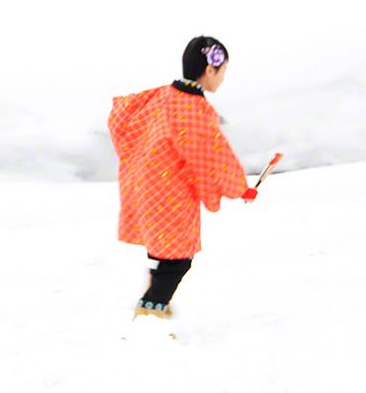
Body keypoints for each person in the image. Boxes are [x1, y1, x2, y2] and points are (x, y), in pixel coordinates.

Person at [108, 36, 257, 319]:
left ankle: (155, 300)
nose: (223, 79)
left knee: (163, 250)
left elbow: (123, 115)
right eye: (223, 71)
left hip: (145, 183)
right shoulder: (194, 109)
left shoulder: (162, 95)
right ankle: (151, 309)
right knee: (178, 257)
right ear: (210, 69)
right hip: (171, 193)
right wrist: (240, 189)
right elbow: (213, 156)